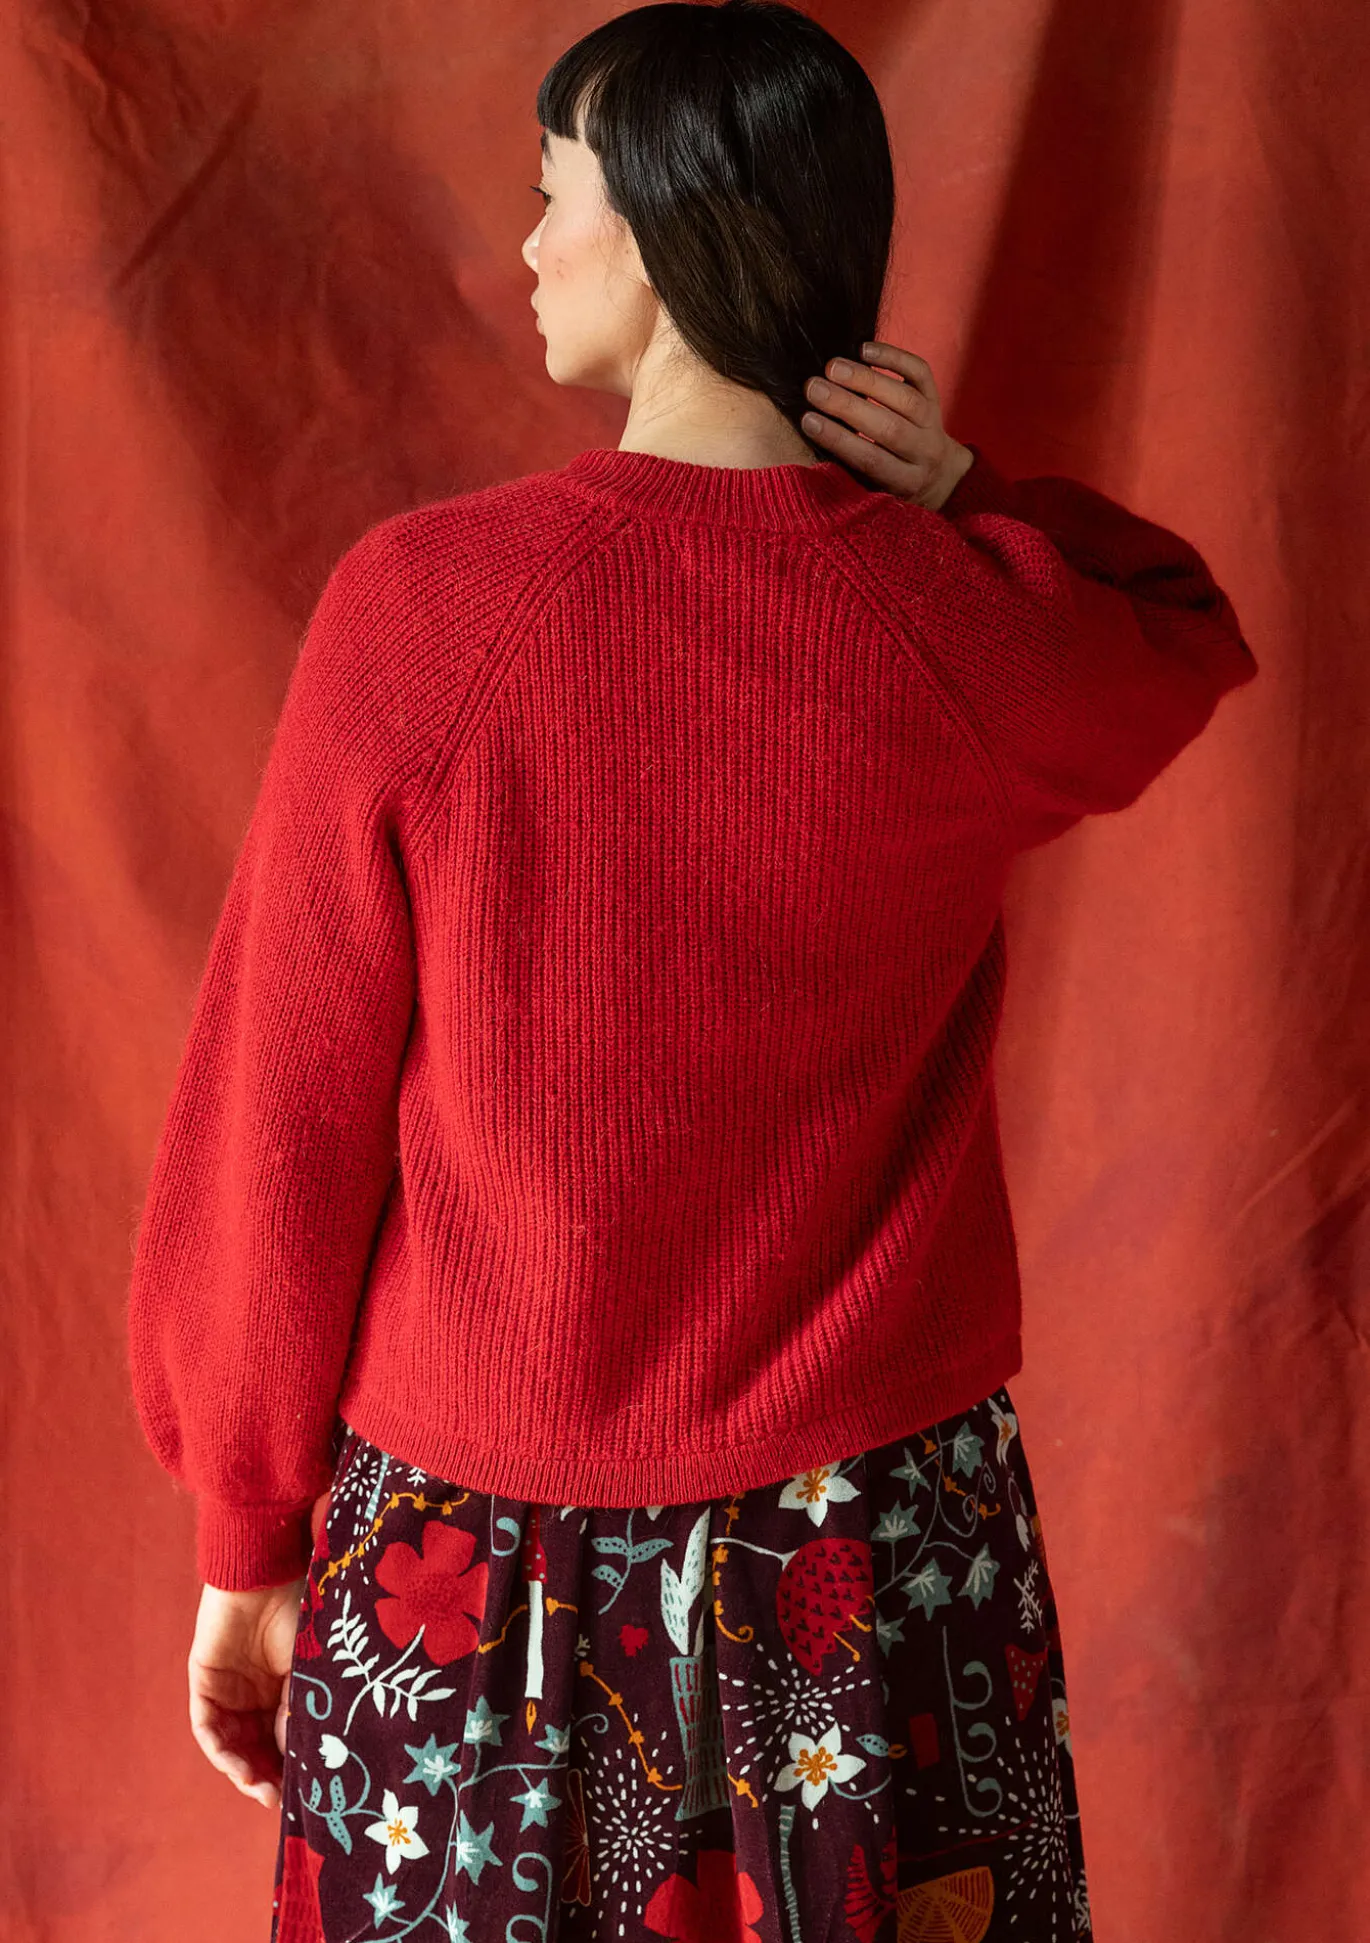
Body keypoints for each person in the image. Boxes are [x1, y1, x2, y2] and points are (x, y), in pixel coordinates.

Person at [125, 4, 1257, 1938]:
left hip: (472, 1564)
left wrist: (245, 1530)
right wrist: (962, 488)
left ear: (657, 227)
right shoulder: (952, 621)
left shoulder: (425, 615)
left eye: (552, 192)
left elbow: (277, 1116)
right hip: (869, 1555)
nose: (526, 243)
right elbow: (1175, 634)